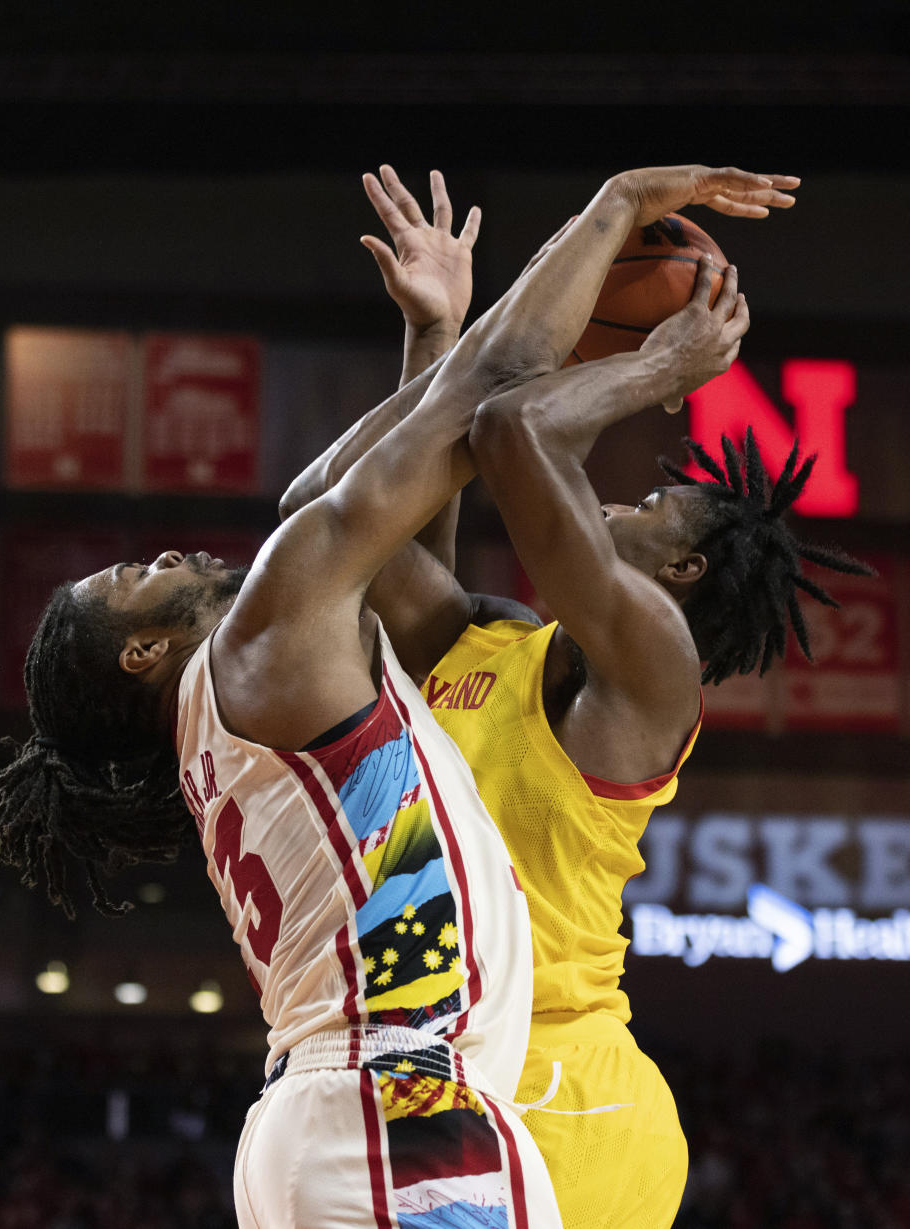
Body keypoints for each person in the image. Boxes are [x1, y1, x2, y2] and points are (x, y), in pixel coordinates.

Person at [0, 161, 789, 1228]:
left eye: (652, 503)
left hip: (485, 1093)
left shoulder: (628, 663)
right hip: (404, 1093)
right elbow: (458, 444)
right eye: (134, 578)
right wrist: (610, 237)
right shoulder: (314, 645)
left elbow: (454, 457)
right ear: (136, 653)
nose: (165, 550)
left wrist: (497, 325)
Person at [284, 163, 869, 1228]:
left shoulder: (656, 666)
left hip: (566, 1095)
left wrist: (655, 365)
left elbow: (512, 432)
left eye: (653, 501)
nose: (624, 493)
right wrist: (438, 335)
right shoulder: (498, 642)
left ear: (683, 573)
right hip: (446, 1068)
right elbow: (337, 517)